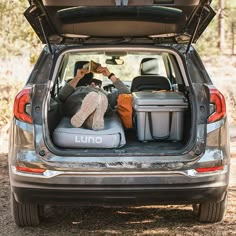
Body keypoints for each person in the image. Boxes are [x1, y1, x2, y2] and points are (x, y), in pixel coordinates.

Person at [58, 61, 130, 130]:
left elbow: (125, 93)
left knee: (100, 100)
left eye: (96, 83)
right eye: (91, 83)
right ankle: (88, 117)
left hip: (99, 101)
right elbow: (62, 96)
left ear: (100, 86)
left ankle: (88, 115)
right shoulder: (77, 88)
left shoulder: (106, 94)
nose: (93, 84)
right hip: (76, 102)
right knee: (79, 103)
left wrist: (109, 74)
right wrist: (77, 77)